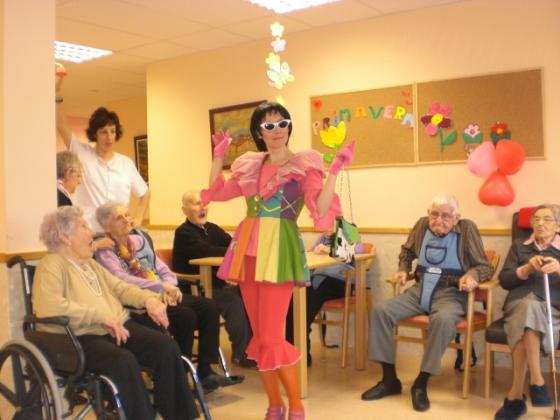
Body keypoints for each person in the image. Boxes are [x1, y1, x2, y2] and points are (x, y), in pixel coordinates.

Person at [201, 101, 354, 420]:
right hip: (248, 251)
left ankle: (296, 406)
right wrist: (218, 156)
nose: (276, 130)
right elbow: (216, 193)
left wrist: (334, 172)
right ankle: (274, 405)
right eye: (268, 126)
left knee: (272, 337)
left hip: (280, 252)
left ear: (289, 126)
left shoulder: (303, 165)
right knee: (260, 337)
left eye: (282, 123)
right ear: (259, 132)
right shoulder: (250, 165)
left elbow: (321, 207)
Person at [33, 206, 198, 420]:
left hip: (118, 327)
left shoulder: (90, 264)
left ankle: (180, 416)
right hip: (81, 336)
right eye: (84, 226)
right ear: (65, 237)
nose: (92, 231)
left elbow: (120, 288)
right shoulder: (51, 265)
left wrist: (149, 299)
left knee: (166, 346)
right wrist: (99, 317)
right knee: (123, 361)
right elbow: (49, 305)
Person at [361, 193, 493, 412]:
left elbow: (484, 266)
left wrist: (472, 275)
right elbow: (407, 252)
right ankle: (389, 380)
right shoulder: (422, 225)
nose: (438, 220)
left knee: (443, 320)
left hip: (451, 293)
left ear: (457, 217)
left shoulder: (467, 229)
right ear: (428, 214)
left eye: (445, 216)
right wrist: (403, 270)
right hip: (420, 290)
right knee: (380, 312)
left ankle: (421, 384)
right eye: (434, 214)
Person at [94, 201, 244, 392]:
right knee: (185, 316)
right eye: (119, 218)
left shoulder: (139, 240)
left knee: (209, 306)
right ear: (106, 226)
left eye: (127, 215)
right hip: (140, 300)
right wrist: (159, 287)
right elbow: (121, 279)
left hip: (163, 290)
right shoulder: (106, 250)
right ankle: (179, 374)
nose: (126, 220)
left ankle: (206, 372)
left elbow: (161, 267)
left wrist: (171, 286)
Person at [55, 70, 150, 231]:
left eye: (112, 131)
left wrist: (139, 219)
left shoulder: (125, 163)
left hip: (119, 232)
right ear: (95, 134)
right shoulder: (82, 153)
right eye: (103, 132)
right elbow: (61, 125)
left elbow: (145, 193)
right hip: (90, 232)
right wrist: (57, 93)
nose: (109, 137)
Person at [172, 190, 255, 369]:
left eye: (205, 203)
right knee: (233, 301)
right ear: (185, 210)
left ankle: (254, 348)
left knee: (249, 294)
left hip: (217, 285)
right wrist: (232, 250)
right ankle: (241, 353)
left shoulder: (212, 228)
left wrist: (235, 248)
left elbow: (233, 243)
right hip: (195, 288)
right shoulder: (183, 233)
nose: (203, 207)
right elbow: (206, 251)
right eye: (197, 204)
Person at [494, 204, 560, 420]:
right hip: (517, 305)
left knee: (528, 314)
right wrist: (526, 268)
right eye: (536, 219)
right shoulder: (519, 247)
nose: (541, 223)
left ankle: (515, 397)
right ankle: (536, 380)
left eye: (547, 219)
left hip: (551, 309)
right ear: (530, 224)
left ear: (558, 225)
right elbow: (504, 280)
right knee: (527, 307)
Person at [285, 232, 373, 366]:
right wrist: (315, 249)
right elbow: (310, 254)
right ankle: (291, 352)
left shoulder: (347, 230)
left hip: (341, 281)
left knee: (307, 302)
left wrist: (330, 249)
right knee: (294, 299)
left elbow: (360, 250)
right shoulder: (323, 237)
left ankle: (301, 356)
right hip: (320, 279)